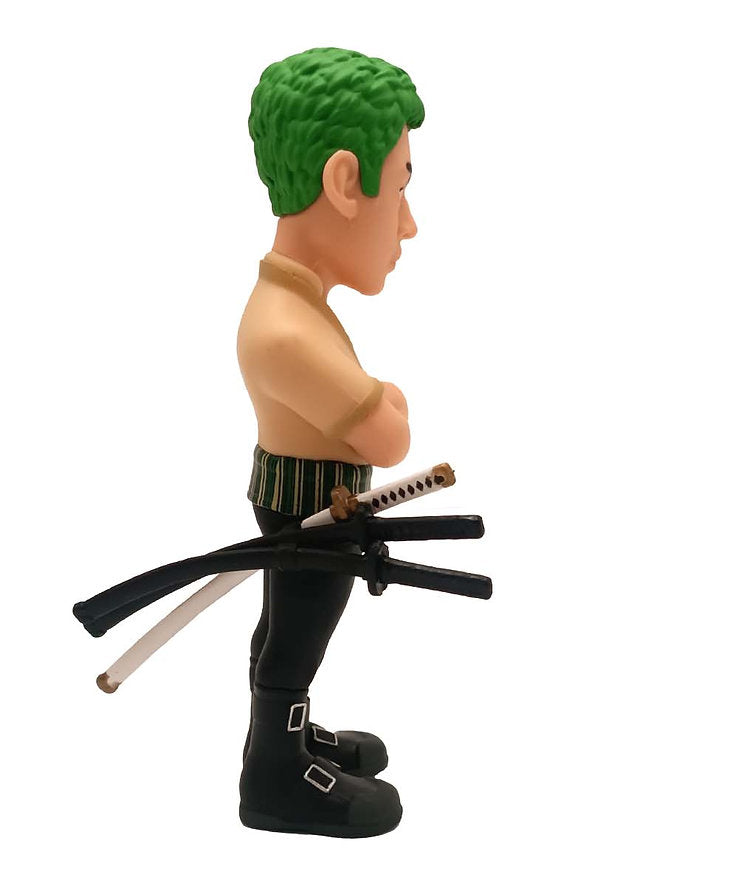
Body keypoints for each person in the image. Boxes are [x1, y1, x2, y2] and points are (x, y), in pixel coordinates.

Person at [236, 46, 424, 838]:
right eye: (401, 188)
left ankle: (282, 739)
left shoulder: (297, 309)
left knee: (286, 627)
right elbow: (389, 436)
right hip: (310, 511)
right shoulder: (286, 332)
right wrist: (387, 398)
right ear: (346, 183)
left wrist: (377, 397)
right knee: (297, 635)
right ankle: (276, 779)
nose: (408, 225)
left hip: (311, 500)